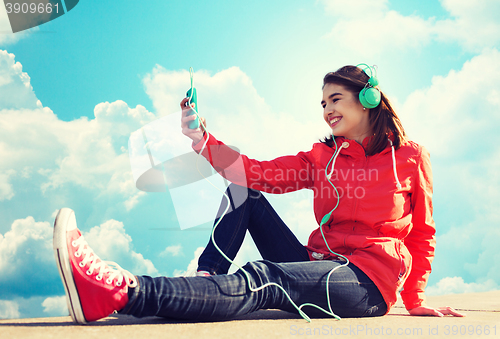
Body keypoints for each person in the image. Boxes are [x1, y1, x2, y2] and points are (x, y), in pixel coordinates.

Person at [53, 65, 464, 325]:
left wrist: (415, 299)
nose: (326, 110)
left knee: (266, 277)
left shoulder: (410, 158)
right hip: (318, 263)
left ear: (369, 99)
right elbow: (255, 173)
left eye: (335, 99)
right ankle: (206, 282)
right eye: (322, 103)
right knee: (243, 192)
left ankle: (121, 292)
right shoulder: (322, 157)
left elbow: (423, 232)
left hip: (365, 283)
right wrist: (201, 138)